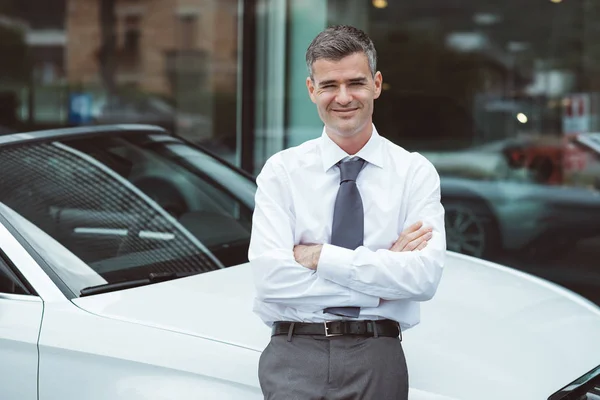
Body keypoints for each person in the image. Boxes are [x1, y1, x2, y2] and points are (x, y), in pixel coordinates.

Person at [249, 25, 446, 400]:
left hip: (377, 355)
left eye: (355, 82)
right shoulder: (282, 172)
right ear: (311, 90)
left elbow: (423, 279)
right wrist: (381, 280)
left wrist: (320, 256)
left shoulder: (414, 172)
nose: (343, 98)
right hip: (294, 353)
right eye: (328, 85)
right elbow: (270, 279)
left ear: (377, 84)